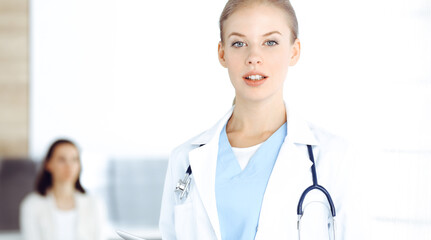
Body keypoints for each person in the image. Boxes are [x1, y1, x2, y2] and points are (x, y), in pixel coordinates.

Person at [159, 0, 354, 239]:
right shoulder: (184, 159)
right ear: (222, 53)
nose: (253, 57)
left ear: (294, 51)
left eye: (270, 42)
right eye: (239, 43)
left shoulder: (333, 157)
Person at [20, 139, 108, 240]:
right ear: (48, 164)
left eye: (74, 159)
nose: (69, 166)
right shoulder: (32, 204)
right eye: (62, 160)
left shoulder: (94, 203)